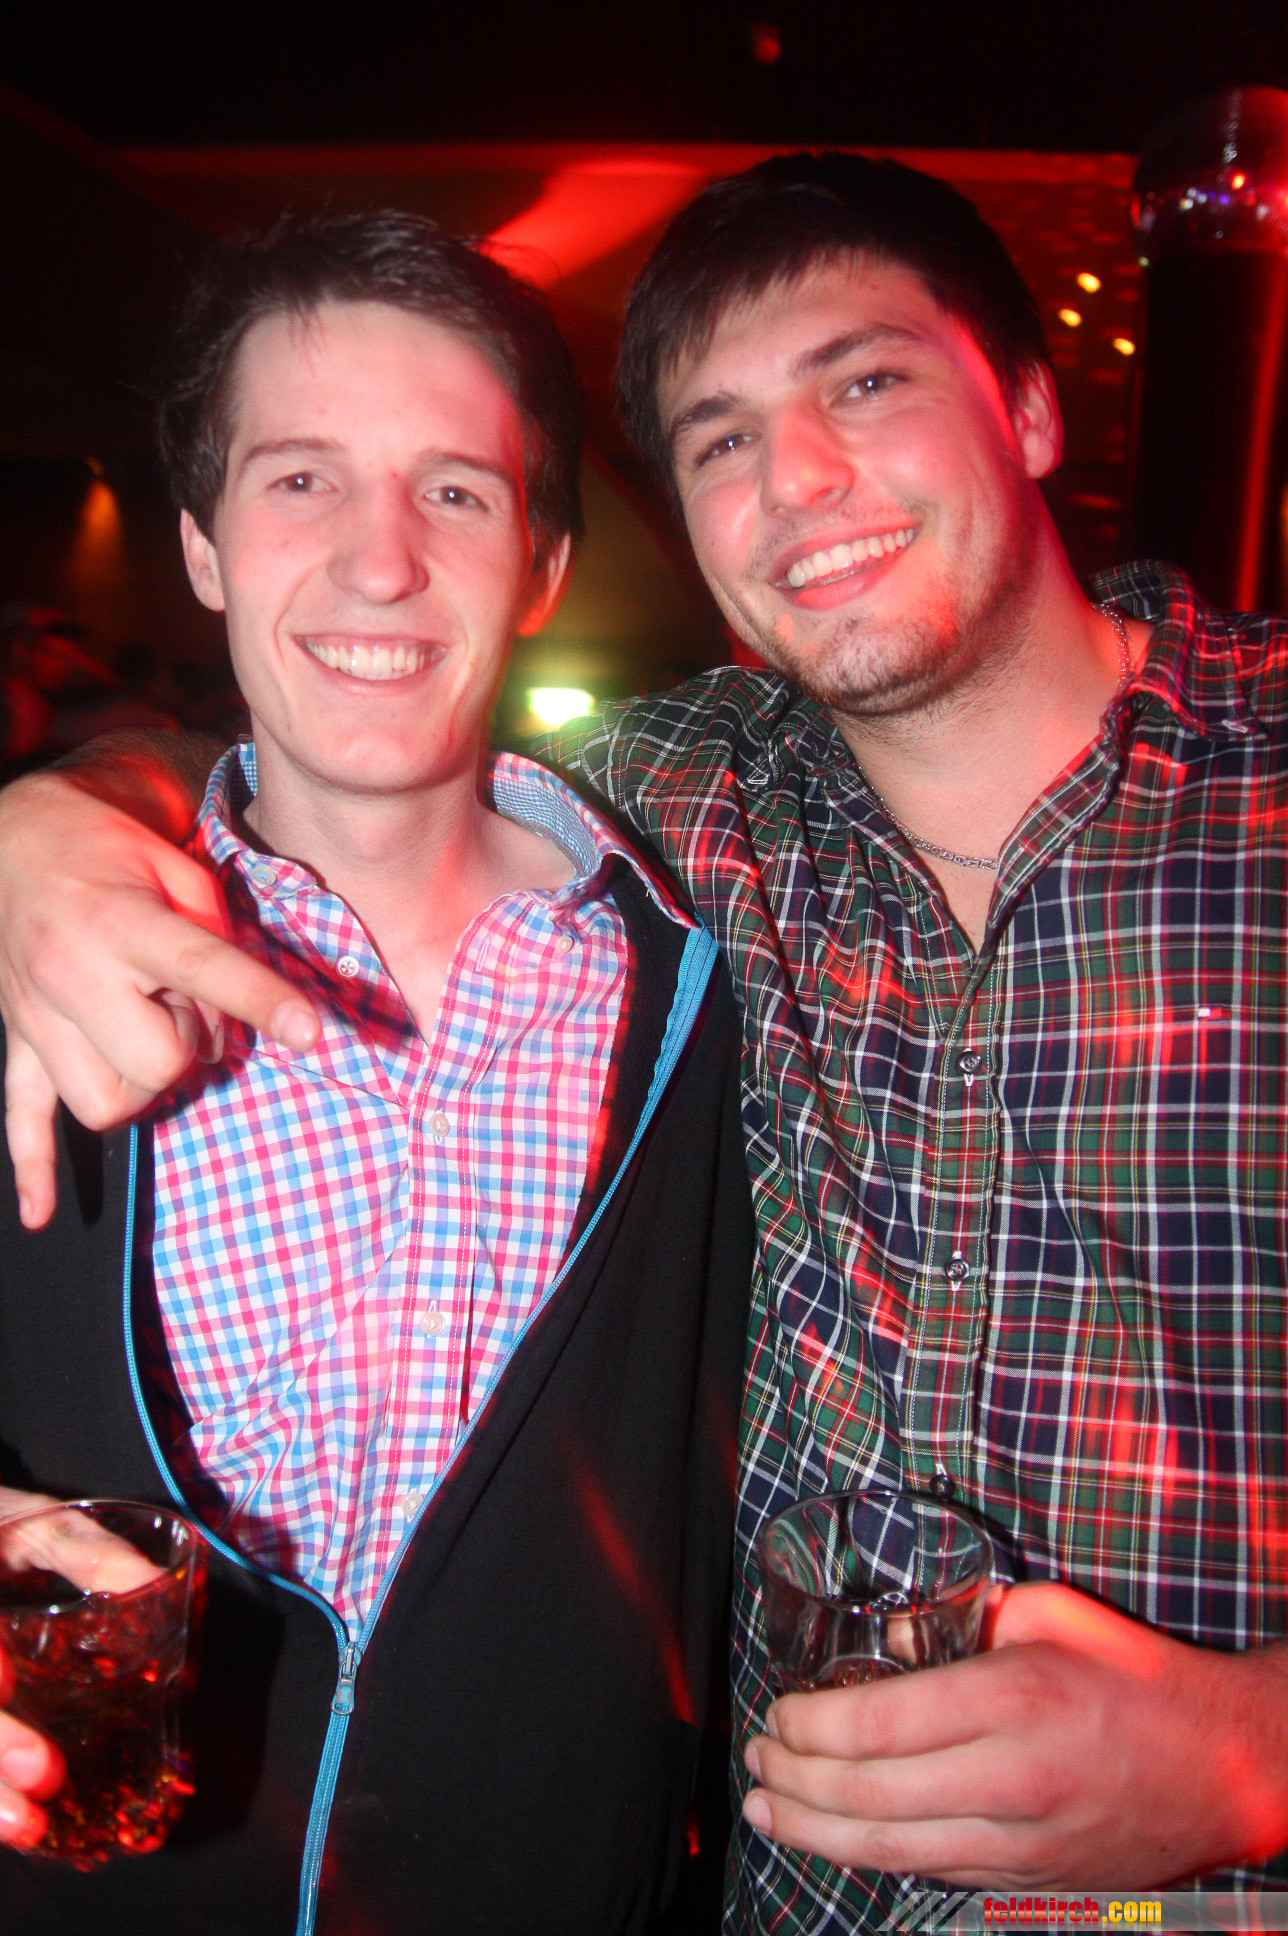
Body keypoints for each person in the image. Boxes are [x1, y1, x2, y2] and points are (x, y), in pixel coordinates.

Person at [2, 151, 1287, 1931]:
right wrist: (56, 813)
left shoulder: (693, 910)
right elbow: (338, 738)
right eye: (720, 437)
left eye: (865, 382)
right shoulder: (700, 824)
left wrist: (1253, 1751)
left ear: (1033, 405)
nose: (799, 477)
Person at [0, 210, 753, 1936]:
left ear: (541, 564)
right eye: (301, 481)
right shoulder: (36, 948)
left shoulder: (707, 998)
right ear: (202, 547)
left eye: (456, 493)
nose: (382, 562)